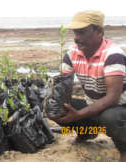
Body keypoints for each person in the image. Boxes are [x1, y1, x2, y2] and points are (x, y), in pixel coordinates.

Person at [50, 10, 126, 162]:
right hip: (92, 104)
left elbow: (113, 98)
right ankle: (87, 132)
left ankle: (124, 148)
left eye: (82, 32)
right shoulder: (72, 54)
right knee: (55, 107)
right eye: (75, 33)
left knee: (109, 117)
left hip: (119, 108)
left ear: (99, 31)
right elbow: (62, 86)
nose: (76, 38)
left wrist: (79, 115)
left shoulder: (113, 55)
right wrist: (52, 101)